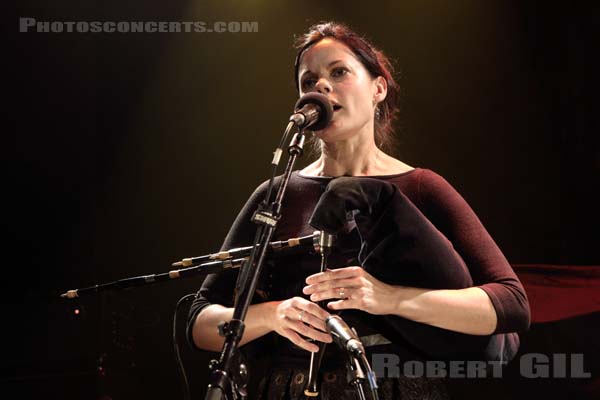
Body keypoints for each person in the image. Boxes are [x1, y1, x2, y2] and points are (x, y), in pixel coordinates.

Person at [187, 22, 530, 399]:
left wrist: (388, 297)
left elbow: (511, 304)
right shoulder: (275, 194)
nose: (322, 86)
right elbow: (200, 323)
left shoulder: (421, 186)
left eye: (339, 72)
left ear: (378, 89)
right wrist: (273, 314)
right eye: (309, 81)